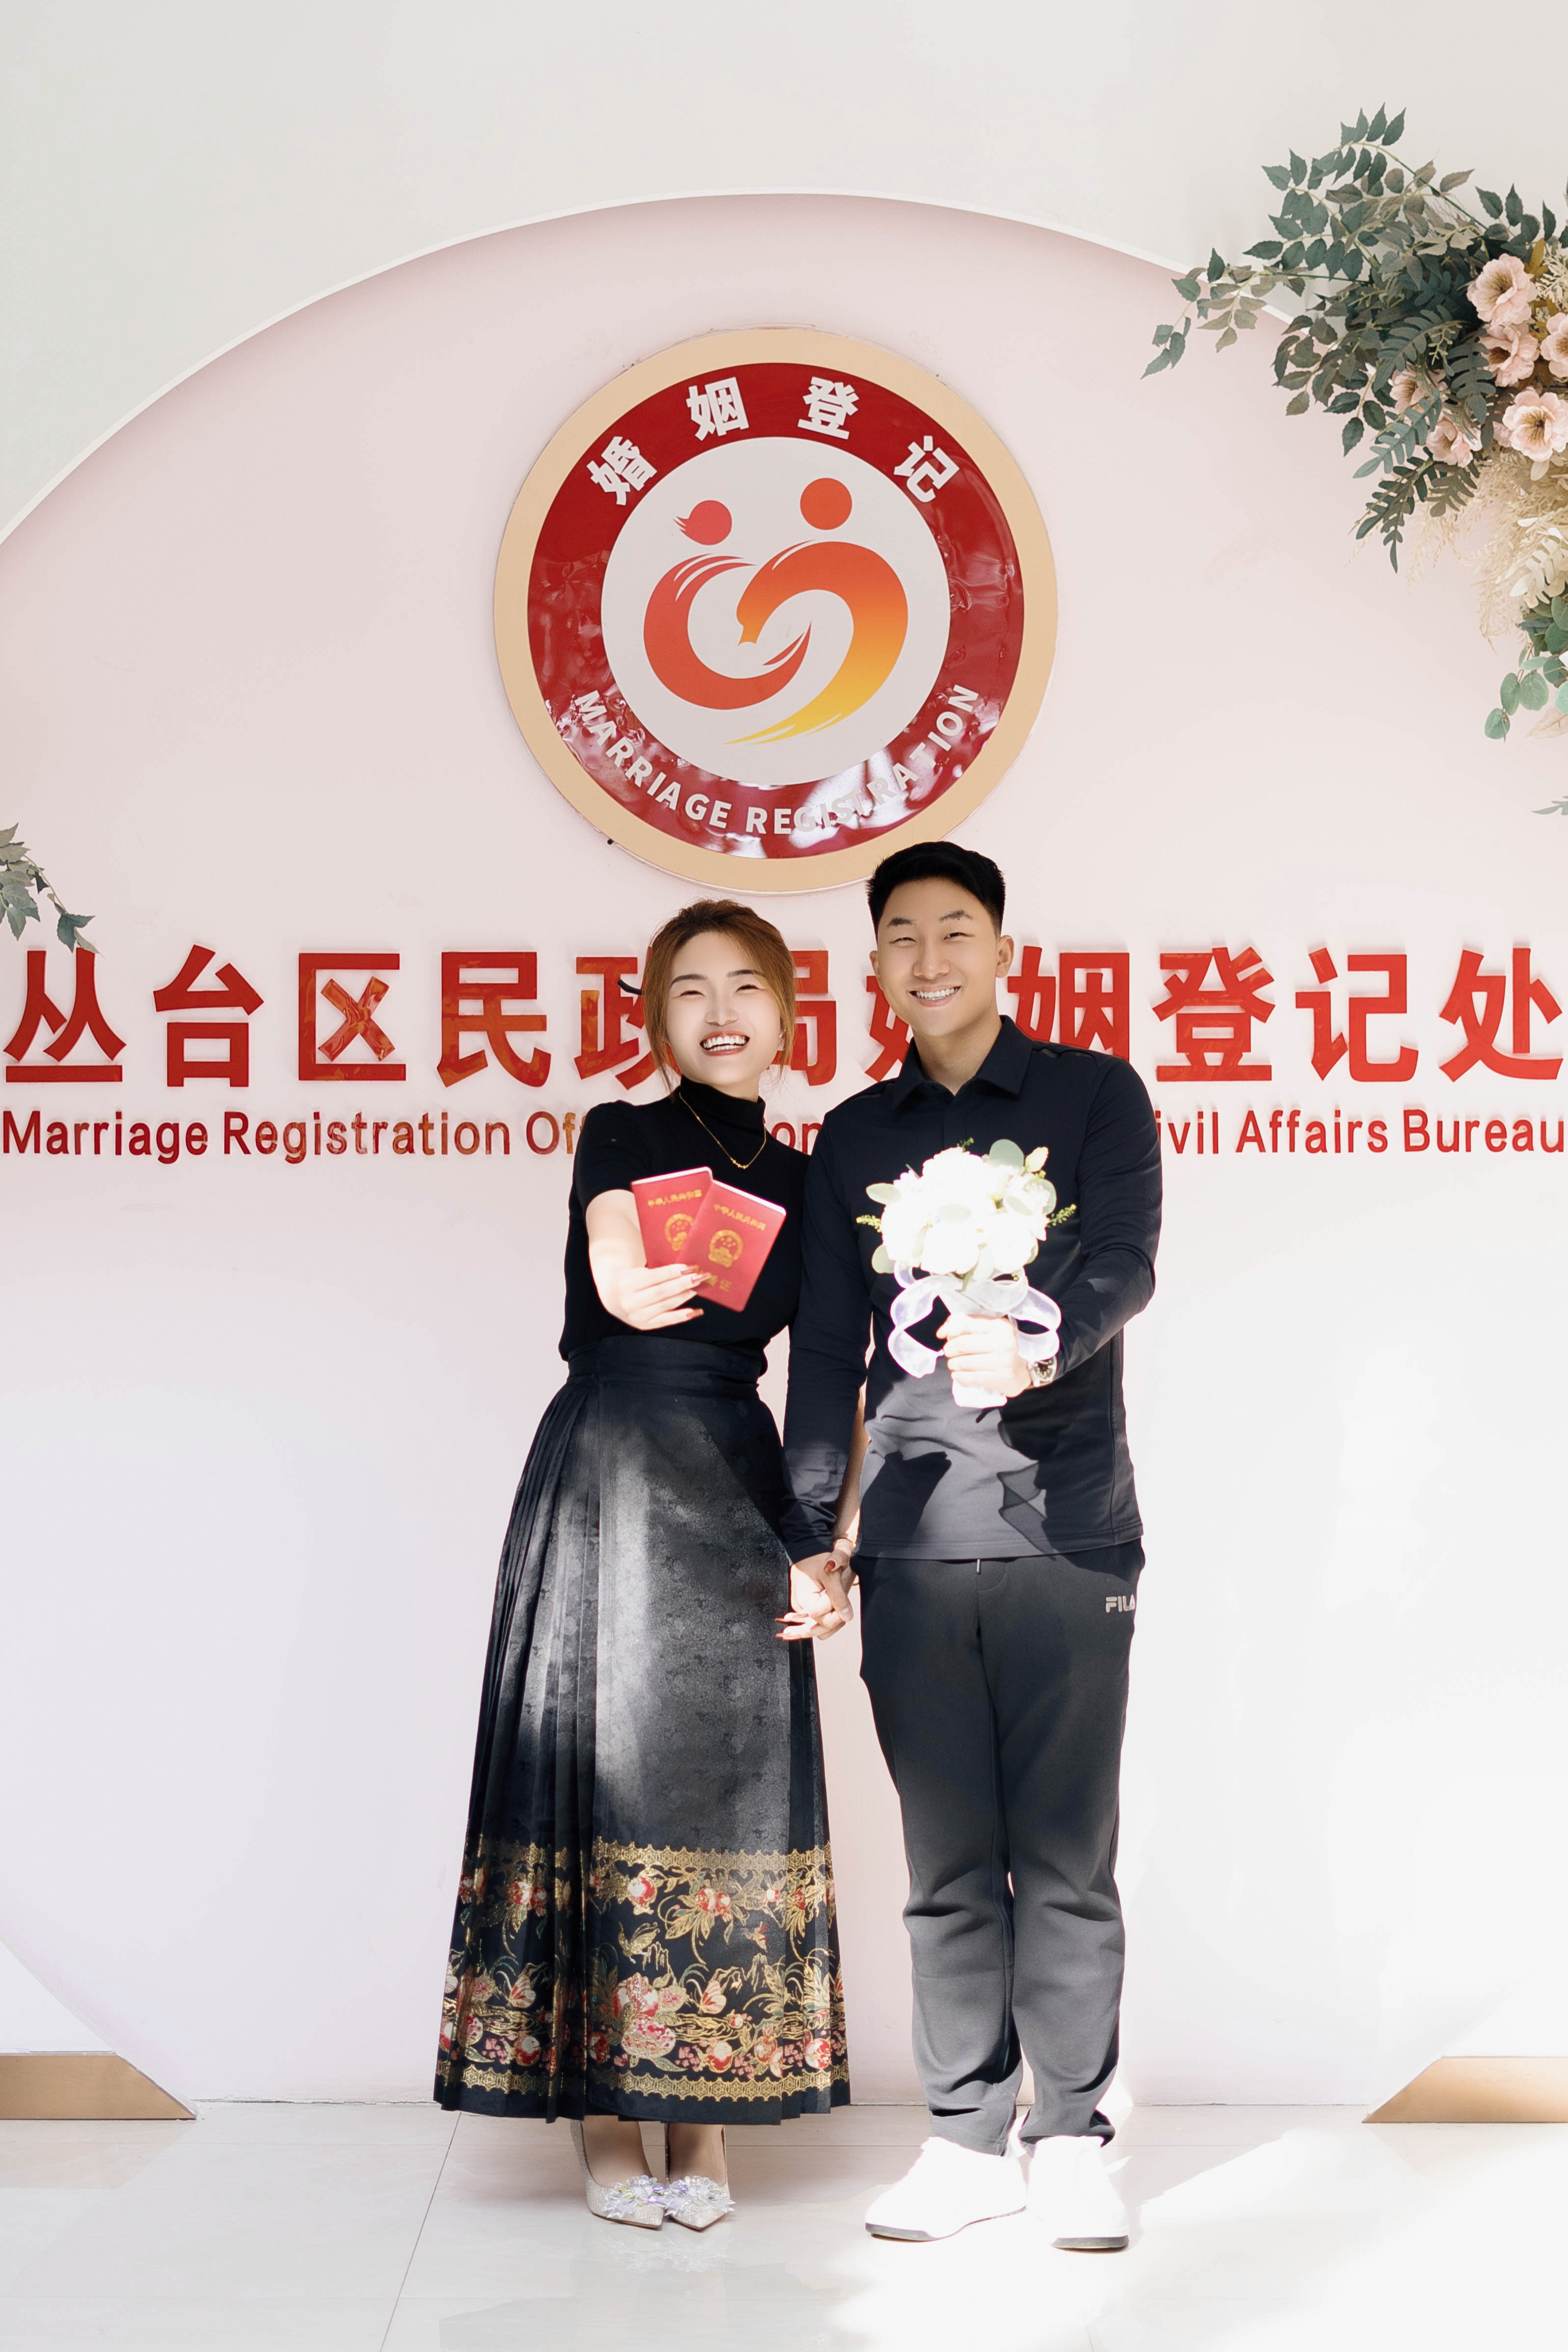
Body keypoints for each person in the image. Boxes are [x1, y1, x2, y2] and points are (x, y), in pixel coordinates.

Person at [437, 899, 852, 2232]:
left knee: (723, 1785)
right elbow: (613, 1234)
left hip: (735, 1474)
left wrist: (823, 1543)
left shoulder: (813, 1181)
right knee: (595, 1773)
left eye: (745, 987)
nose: (719, 1012)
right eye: (689, 991)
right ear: (657, 1018)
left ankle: (704, 2119)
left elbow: (825, 1375)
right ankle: (608, 2120)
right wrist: (619, 1275)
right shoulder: (619, 1129)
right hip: (611, 1462)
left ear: (788, 1012)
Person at [781, 842, 1160, 2250]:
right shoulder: (852, 1139)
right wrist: (811, 1530)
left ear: (1002, 950)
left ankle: (1070, 2137)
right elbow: (827, 1352)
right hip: (915, 1541)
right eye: (901, 935)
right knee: (946, 1865)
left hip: (1071, 1528)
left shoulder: (1093, 1094)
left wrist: (1045, 1338)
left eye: (954, 931)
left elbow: (1125, 1259)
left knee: (1064, 1855)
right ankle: (962, 2139)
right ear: (874, 965)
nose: (928, 958)